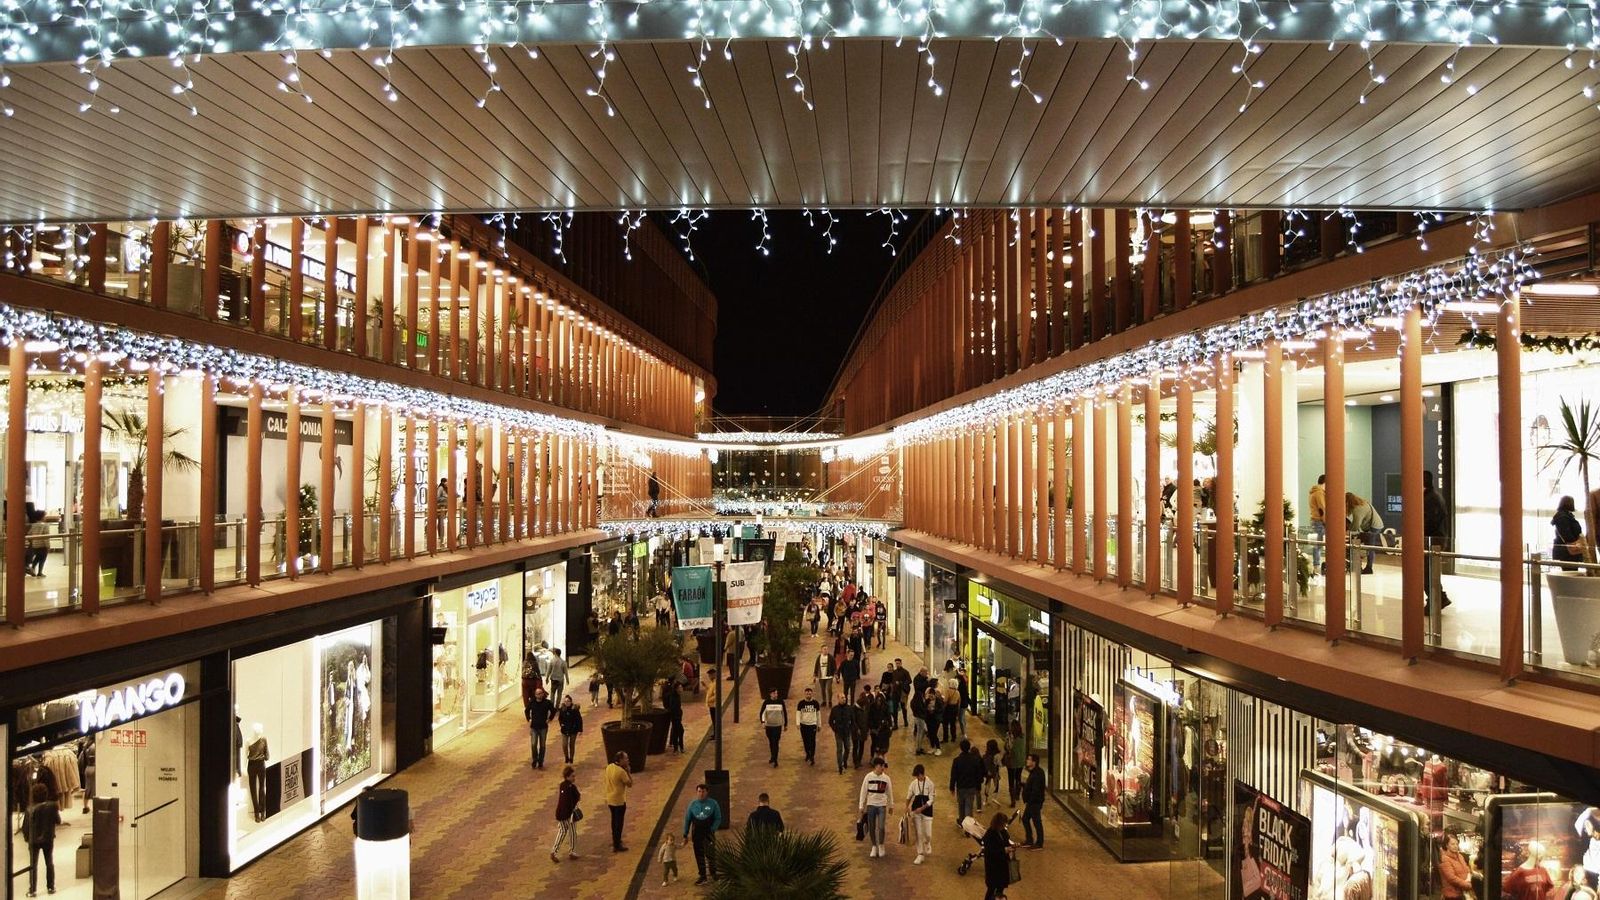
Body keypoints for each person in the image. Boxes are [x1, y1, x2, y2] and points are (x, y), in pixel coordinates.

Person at [1422, 471, 1453, 614]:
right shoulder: (1431, 497)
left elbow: (1430, 522)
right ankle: (1438, 598)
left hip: (1433, 540)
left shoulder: (1431, 499)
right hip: (1434, 539)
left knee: (1427, 573)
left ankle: (1437, 599)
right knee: (1428, 572)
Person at [23, 781, 60, 897]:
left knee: (33, 864)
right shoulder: (53, 806)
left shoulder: (29, 809)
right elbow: (58, 821)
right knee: (49, 862)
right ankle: (51, 886)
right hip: (48, 839)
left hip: (33, 840)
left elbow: (25, 827)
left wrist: (27, 838)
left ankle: (32, 889)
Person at [683, 783, 723, 884]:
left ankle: (713, 873)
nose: (701, 794)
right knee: (699, 855)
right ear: (697, 792)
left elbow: (718, 818)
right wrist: (685, 834)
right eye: (699, 791)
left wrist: (713, 829)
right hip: (696, 834)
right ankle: (702, 876)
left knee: (711, 854)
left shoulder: (713, 804)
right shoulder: (692, 805)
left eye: (703, 791)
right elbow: (687, 820)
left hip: (709, 833)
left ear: (707, 792)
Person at [858, 757, 893, 858]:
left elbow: (889, 792)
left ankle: (881, 845)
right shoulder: (868, 777)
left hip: (882, 805)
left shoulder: (886, 778)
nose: (883, 768)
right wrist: (861, 806)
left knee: (881, 827)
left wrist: (891, 805)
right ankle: (874, 846)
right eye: (881, 766)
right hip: (871, 805)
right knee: (872, 827)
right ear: (877, 766)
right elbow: (863, 792)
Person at [904, 762, 935, 865]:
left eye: (918, 776)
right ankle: (920, 854)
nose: (917, 778)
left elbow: (931, 800)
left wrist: (921, 808)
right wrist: (906, 807)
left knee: (928, 834)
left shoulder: (930, 784)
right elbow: (909, 796)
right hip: (916, 812)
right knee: (918, 833)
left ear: (922, 774)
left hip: (927, 812)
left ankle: (927, 842)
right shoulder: (913, 784)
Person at [949, 739, 985, 827]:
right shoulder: (975, 760)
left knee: (961, 806)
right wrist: (978, 784)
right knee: (969, 807)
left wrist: (952, 787)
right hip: (971, 787)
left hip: (961, 787)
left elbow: (954, 775)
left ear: (961, 748)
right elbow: (978, 773)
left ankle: (961, 822)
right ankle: (968, 827)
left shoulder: (957, 760)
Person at [1346, 492, 1384, 575]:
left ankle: (1369, 568)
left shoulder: (1358, 509)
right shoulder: (1360, 503)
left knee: (1369, 546)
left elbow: (1356, 525)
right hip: (1373, 525)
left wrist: (1348, 532)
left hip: (1374, 527)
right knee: (1367, 545)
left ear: (1348, 502)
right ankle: (1363, 566)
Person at [550, 765, 581, 863]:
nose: (574, 778)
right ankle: (567, 851)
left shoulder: (562, 785)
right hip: (568, 815)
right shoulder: (571, 787)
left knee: (566, 832)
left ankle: (558, 851)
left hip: (561, 814)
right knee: (568, 832)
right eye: (572, 776)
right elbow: (576, 798)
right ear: (567, 776)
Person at [982, 811, 1015, 900]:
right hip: (993, 867)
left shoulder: (1003, 832)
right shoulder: (990, 834)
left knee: (1000, 889)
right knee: (991, 889)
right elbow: (990, 851)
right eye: (1003, 824)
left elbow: (1006, 842)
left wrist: (1011, 846)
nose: (1004, 826)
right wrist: (1004, 850)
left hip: (1002, 867)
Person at [604, 751, 633, 852]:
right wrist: (628, 772)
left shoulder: (609, 767)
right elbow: (629, 784)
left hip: (610, 798)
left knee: (613, 821)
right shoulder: (621, 772)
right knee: (619, 823)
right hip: (619, 800)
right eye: (626, 758)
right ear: (620, 760)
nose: (628, 760)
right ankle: (617, 844)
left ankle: (615, 840)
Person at [1435, 833, 1472, 900]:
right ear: (1447, 845)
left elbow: (1467, 868)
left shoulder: (1460, 856)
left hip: (1462, 893)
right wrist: (1466, 884)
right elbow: (1451, 878)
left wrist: (1468, 879)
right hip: (1452, 895)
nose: (1455, 846)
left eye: (1457, 844)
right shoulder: (1445, 859)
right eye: (1452, 844)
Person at [1019, 753, 1045, 849]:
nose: (1027, 761)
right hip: (1031, 802)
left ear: (1034, 762)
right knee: (1025, 819)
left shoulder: (1038, 773)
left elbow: (1036, 790)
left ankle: (1039, 843)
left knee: (1036, 822)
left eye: (1029, 759)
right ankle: (1029, 840)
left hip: (1034, 802)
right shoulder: (1033, 772)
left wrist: (1030, 800)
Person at [1554, 495, 1586, 570]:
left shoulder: (1564, 515)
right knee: (1569, 571)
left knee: (1570, 571)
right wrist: (1576, 541)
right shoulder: (1563, 517)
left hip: (1567, 550)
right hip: (1567, 551)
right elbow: (1566, 533)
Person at [527, 687, 556, 769]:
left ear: (543, 694)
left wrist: (550, 719)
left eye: (541, 693)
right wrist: (529, 719)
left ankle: (540, 761)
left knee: (542, 745)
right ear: (535, 695)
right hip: (534, 727)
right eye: (537, 694)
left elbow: (553, 710)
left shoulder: (547, 703)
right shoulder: (532, 702)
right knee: (533, 744)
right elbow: (527, 710)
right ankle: (534, 759)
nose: (539, 695)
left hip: (543, 727)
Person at [759, 689, 788, 767]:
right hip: (769, 726)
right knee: (771, 742)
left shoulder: (781, 702)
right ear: (770, 694)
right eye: (774, 693)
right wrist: (763, 722)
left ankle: (775, 759)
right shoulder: (766, 702)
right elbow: (762, 713)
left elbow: (784, 713)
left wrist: (785, 724)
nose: (776, 695)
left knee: (776, 742)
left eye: (776, 693)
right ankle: (772, 756)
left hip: (777, 726)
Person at [829, 695, 856, 773]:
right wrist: (835, 729)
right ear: (838, 699)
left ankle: (844, 760)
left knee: (847, 748)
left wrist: (851, 728)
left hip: (847, 732)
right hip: (838, 732)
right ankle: (840, 766)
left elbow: (853, 720)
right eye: (842, 698)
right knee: (839, 749)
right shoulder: (834, 709)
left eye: (844, 697)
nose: (844, 699)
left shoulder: (849, 708)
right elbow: (831, 721)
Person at [796, 687, 822, 765]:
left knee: (812, 741)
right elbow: (798, 714)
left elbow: (818, 714)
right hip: (803, 725)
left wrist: (819, 724)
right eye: (807, 693)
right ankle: (808, 753)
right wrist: (798, 723)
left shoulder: (815, 703)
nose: (808, 694)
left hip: (812, 724)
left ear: (812, 694)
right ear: (805, 694)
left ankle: (812, 756)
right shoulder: (801, 703)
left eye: (810, 693)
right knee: (805, 741)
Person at [1004, 719, 1026, 807]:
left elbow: (1008, 747)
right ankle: (1017, 794)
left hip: (1012, 761)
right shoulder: (1022, 736)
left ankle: (1013, 800)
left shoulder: (1010, 736)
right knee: (1018, 777)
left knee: (1011, 780)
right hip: (1020, 760)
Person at [1309, 474, 1327, 572]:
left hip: (1315, 520)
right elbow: (1322, 509)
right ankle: (1317, 565)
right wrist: (1326, 521)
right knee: (1318, 545)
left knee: (1317, 544)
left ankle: (1316, 565)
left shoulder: (1313, 492)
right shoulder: (1319, 493)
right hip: (1319, 521)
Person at [557, 695, 583, 764]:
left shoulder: (575, 709)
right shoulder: (562, 709)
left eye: (568, 701)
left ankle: (571, 758)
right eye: (565, 701)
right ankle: (566, 756)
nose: (567, 703)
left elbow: (579, 720)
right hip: (564, 729)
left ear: (571, 702)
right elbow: (560, 718)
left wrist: (580, 729)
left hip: (573, 729)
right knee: (564, 744)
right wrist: (561, 724)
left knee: (572, 744)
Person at [663, 679, 685, 754]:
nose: (682, 689)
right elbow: (673, 708)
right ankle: (678, 748)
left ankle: (679, 747)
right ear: (676, 689)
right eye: (680, 687)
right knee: (679, 731)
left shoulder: (677, 696)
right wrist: (677, 715)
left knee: (678, 731)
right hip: (676, 717)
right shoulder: (674, 697)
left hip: (677, 717)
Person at [850, 691, 871, 769]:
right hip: (856, 731)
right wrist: (857, 728)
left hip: (864, 729)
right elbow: (853, 720)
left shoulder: (866, 707)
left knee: (861, 746)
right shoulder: (854, 708)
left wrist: (867, 728)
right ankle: (855, 761)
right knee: (855, 746)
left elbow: (867, 718)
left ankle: (859, 760)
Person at [982, 739, 1004, 808]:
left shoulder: (986, 754)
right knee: (996, 785)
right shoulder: (997, 755)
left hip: (988, 772)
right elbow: (1000, 764)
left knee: (987, 784)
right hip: (995, 772)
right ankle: (994, 798)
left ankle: (986, 800)